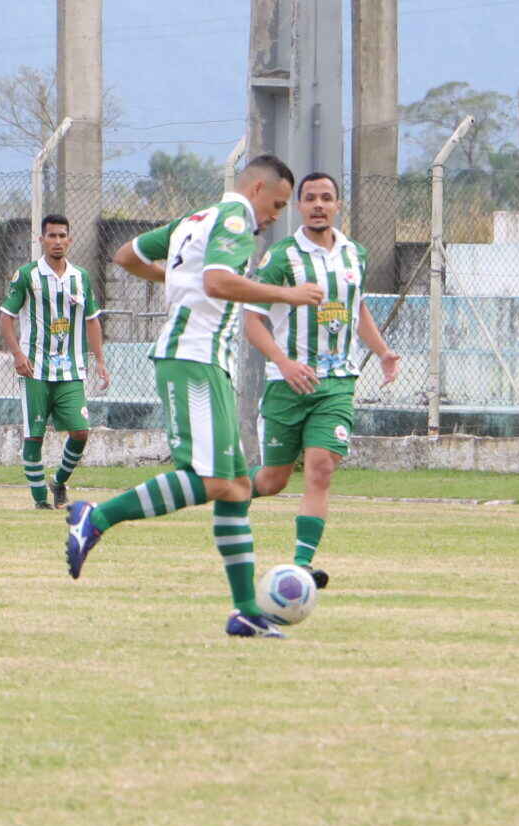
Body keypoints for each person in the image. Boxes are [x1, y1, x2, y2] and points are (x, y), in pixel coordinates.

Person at [63, 154, 324, 638]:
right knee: (207, 479)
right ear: (257, 187)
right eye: (277, 204)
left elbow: (126, 256)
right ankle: (94, 518)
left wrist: (172, 280)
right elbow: (217, 281)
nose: (274, 216)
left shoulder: (195, 219)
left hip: (211, 362)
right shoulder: (234, 218)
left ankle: (246, 610)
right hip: (192, 357)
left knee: (237, 488)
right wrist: (288, 294)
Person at [241, 172, 401, 587]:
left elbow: (356, 309)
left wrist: (382, 351)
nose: (318, 204)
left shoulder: (355, 254)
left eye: (326, 198)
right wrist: (284, 361)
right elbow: (252, 321)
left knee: (320, 469)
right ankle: (231, 498)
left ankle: (301, 563)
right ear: (298, 205)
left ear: (337, 205)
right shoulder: (281, 257)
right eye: (309, 198)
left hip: (336, 382)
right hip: (287, 383)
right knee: (273, 480)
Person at [0, 213, 109, 510]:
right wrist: (18, 355)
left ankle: (59, 481)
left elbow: (92, 321)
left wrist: (99, 360)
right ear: (42, 240)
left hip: (71, 368)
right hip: (35, 368)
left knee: (81, 431)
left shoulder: (80, 277)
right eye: (52, 236)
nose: (57, 241)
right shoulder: (26, 275)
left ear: (69, 240)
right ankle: (40, 502)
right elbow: (6, 318)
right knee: (34, 436)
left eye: (62, 236)